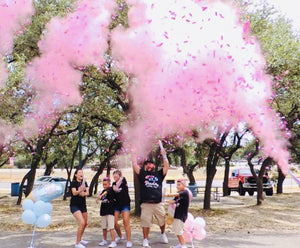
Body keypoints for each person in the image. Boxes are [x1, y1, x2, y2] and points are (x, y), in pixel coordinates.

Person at [132, 144, 169, 248]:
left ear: (153, 166)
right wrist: (134, 155)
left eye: (150, 164)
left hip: (158, 203)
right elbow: (135, 166)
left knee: (162, 220)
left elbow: (166, 166)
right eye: (147, 164)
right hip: (146, 203)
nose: (148, 165)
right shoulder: (142, 174)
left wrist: (164, 155)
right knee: (145, 222)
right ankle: (145, 240)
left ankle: (163, 234)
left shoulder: (159, 174)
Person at [165, 179, 191, 248]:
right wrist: (166, 201)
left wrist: (167, 194)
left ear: (184, 185)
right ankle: (181, 243)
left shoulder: (184, 192)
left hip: (181, 215)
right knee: (176, 230)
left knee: (179, 231)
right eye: (177, 185)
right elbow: (174, 201)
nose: (177, 186)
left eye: (179, 185)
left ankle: (184, 245)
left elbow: (176, 194)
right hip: (177, 214)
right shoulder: (179, 193)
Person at [112, 170, 133, 248]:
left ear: (120, 176)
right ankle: (120, 236)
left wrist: (120, 177)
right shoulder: (114, 183)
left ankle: (129, 241)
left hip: (125, 204)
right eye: (114, 177)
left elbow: (122, 179)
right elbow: (114, 189)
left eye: (116, 177)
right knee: (114, 222)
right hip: (117, 205)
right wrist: (114, 187)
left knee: (125, 221)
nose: (115, 178)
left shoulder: (123, 181)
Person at [70, 168, 89, 248]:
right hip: (74, 205)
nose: (81, 173)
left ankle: (80, 239)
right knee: (82, 223)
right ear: (76, 175)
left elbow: (87, 192)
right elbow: (74, 193)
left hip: (83, 205)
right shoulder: (74, 183)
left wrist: (83, 193)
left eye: (82, 172)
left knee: (85, 223)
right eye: (79, 172)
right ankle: (77, 243)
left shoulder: (85, 183)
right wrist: (79, 191)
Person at [96, 177, 117, 248]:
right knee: (104, 227)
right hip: (104, 211)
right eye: (103, 185)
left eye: (106, 184)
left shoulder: (110, 190)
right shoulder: (103, 190)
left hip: (110, 211)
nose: (104, 186)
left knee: (111, 227)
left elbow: (106, 192)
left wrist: (101, 196)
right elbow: (100, 198)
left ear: (109, 184)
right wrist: (98, 199)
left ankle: (113, 241)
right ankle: (104, 239)